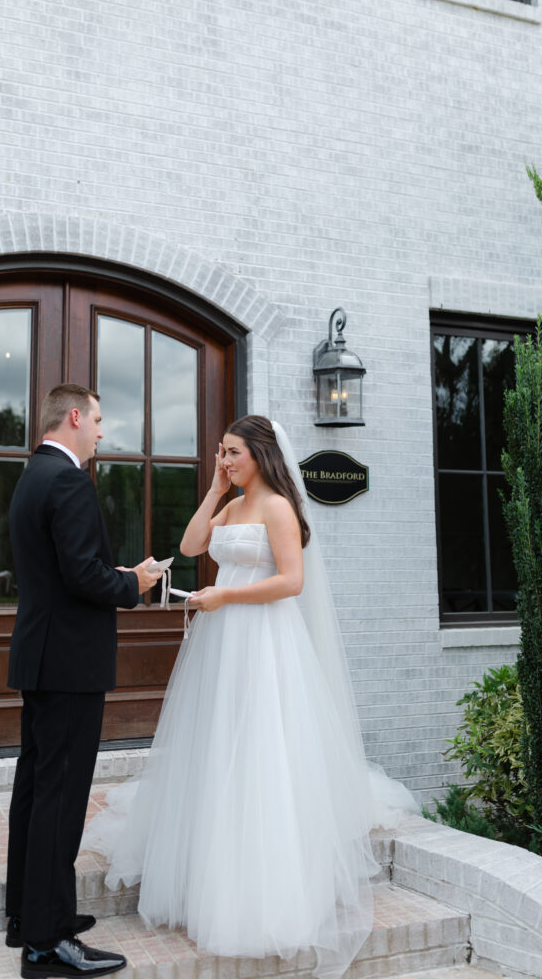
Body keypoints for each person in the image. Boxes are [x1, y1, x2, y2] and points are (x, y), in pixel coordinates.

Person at [83, 415, 417, 976]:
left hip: (264, 639)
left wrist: (226, 598)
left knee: (261, 746)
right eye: (221, 452)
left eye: (232, 453)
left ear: (260, 454)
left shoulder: (279, 508)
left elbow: (292, 581)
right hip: (223, 642)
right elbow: (191, 544)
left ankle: (264, 887)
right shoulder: (233, 506)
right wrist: (214, 489)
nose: (225, 460)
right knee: (219, 743)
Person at [5, 383, 160, 979]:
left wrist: (108, 572)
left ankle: (29, 913)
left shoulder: (33, 476)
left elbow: (61, 567)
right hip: (69, 664)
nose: (100, 431)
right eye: (97, 420)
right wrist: (133, 584)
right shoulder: (67, 480)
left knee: (36, 791)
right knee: (61, 801)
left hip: (43, 658)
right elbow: (81, 577)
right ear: (74, 416)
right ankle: (46, 945)